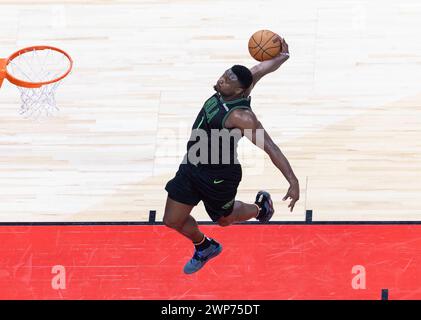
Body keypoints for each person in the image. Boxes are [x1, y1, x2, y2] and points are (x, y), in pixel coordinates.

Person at [164, 37, 300, 274]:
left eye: (228, 80)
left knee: (224, 220)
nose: (222, 80)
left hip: (219, 175)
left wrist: (293, 180)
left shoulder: (242, 117)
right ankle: (205, 247)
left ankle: (261, 208)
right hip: (192, 165)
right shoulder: (235, 86)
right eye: (224, 75)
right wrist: (282, 57)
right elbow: (258, 69)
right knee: (172, 220)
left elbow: (270, 147)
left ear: (239, 90)